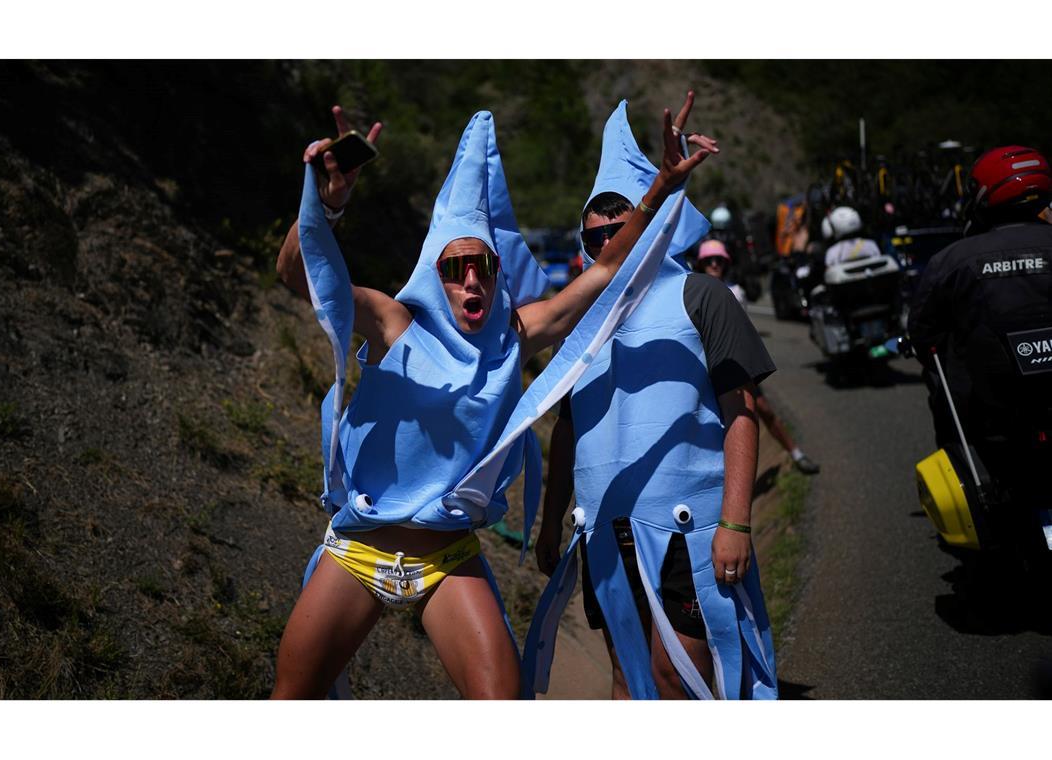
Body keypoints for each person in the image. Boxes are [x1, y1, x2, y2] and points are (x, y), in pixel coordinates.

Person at [270, 97, 716, 699]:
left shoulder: (516, 338)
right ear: (436, 275)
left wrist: (660, 185)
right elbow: (299, 275)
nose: (472, 279)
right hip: (358, 548)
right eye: (456, 269)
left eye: (483, 265)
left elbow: (607, 270)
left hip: (447, 556)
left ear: (497, 270)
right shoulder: (393, 323)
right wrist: (327, 203)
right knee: (290, 700)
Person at [525, 100, 777, 701]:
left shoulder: (701, 297)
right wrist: (551, 520)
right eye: (596, 234)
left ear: (652, 225)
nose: (610, 242)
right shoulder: (582, 319)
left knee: (679, 677)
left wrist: (736, 522)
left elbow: (740, 411)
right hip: (604, 533)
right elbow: (569, 427)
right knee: (626, 675)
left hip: (685, 530)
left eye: (621, 228)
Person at [908, 144, 1052, 512]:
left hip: (996, 413)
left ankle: (974, 502)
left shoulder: (952, 259)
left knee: (943, 392)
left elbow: (923, 334)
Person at [696, 239, 820, 475]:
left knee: (763, 411)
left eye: (719, 260)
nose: (714, 265)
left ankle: (796, 454)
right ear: (701, 264)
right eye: (709, 261)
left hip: (735, 367)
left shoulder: (735, 292)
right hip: (708, 370)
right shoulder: (694, 295)